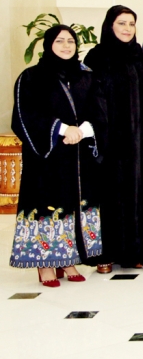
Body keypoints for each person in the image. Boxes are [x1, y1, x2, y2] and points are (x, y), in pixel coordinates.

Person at [10, 26, 103, 286]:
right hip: (47, 158)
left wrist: (83, 130)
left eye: (70, 41)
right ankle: (45, 263)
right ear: (49, 44)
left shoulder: (86, 76)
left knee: (73, 203)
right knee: (47, 203)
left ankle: (68, 259)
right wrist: (62, 129)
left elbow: (100, 110)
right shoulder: (31, 77)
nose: (66, 46)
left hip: (78, 156)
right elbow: (25, 115)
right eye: (60, 41)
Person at [84, 6, 143, 272]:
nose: (128, 28)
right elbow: (90, 100)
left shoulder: (142, 58)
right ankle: (108, 254)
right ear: (110, 25)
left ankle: (141, 250)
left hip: (142, 140)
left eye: (132, 23)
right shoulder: (97, 57)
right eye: (122, 23)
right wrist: (101, 137)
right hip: (112, 142)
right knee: (113, 195)